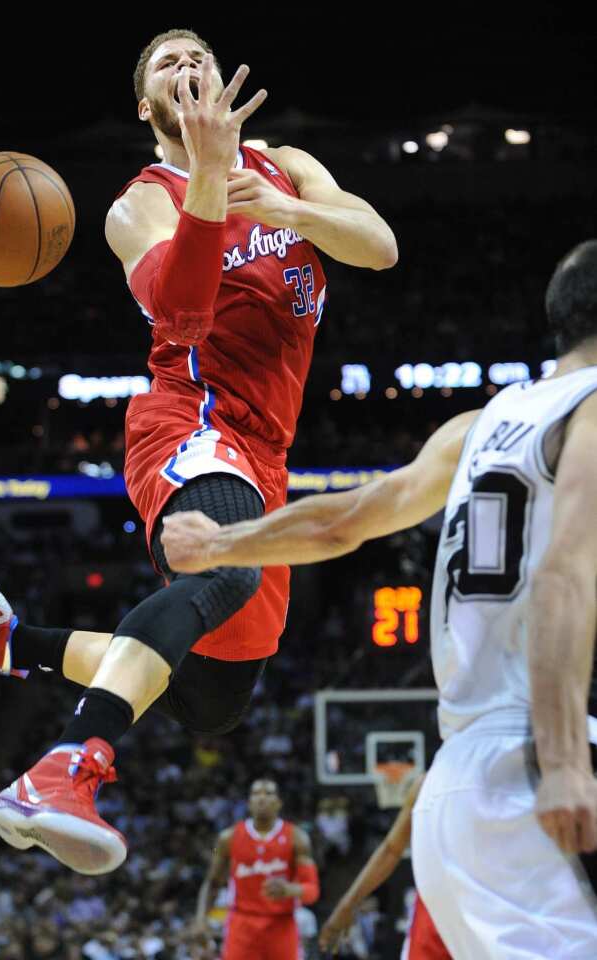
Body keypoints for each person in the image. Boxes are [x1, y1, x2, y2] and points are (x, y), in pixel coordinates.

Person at [0, 28, 396, 876]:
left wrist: (285, 210)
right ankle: (65, 769)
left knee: (212, 700)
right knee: (223, 572)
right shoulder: (142, 202)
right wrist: (204, 181)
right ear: (145, 105)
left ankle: (4, 640)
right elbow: (181, 314)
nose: (187, 65)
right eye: (167, 62)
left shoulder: (286, 164)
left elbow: (376, 245)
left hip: (266, 453)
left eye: (198, 53)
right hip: (189, 423)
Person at [162, 242, 597, 955]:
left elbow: (346, 519)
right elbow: (561, 577)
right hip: (535, 764)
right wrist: (564, 762)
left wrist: (220, 543)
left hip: (457, 787)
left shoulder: (479, 424)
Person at [318, 775, 450, 959]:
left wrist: (348, 904)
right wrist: (347, 905)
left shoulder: (501, 775)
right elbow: (391, 850)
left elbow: (391, 850)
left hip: (482, 909)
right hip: (436, 913)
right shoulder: (428, 784)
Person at [193, 779, 319, 960]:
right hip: (242, 924)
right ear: (249, 802)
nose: (262, 798)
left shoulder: (297, 837)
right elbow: (212, 882)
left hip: (281, 924)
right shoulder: (228, 838)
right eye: (256, 793)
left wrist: (291, 889)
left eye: (268, 793)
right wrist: (200, 919)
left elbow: (312, 891)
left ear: (279, 802)